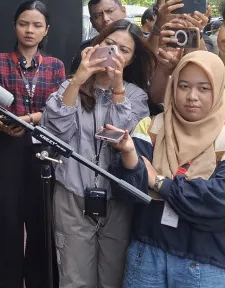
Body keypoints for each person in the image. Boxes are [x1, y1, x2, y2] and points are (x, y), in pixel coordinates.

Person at [43, 19, 154, 288]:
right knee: (74, 276)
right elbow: (54, 131)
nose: (115, 53)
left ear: (131, 59)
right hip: (72, 194)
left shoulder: (136, 97)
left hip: (116, 200)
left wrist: (117, 88)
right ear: (96, 45)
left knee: (113, 277)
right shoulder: (67, 88)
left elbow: (124, 138)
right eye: (109, 44)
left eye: (124, 50)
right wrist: (79, 78)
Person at [108, 51, 225, 287]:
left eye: (204, 88)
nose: (192, 96)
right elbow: (127, 193)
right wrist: (130, 156)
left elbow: (217, 202)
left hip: (204, 263)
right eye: (183, 86)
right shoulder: (151, 126)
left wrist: (159, 182)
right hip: (147, 254)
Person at [0, 0, 66, 288]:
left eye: (37, 25)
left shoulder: (55, 67)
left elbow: (58, 109)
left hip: (43, 148)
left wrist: (29, 118)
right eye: (23, 23)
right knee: (5, 220)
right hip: (7, 146)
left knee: (42, 219)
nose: (29, 30)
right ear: (15, 26)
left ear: (46, 31)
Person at [70, 0, 127, 73]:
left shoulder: (142, 44)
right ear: (92, 22)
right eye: (98, 16)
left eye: (110, 11)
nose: (105, 19)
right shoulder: (86, 50)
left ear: (124, 11)